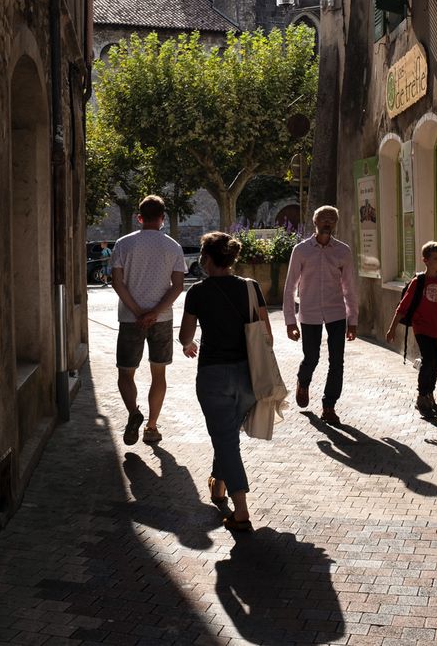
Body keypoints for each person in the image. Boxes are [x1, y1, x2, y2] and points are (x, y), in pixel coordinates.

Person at [179, 231, 269, 533]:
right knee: (227, 435)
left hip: (213, 375)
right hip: (248, 375)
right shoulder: (251, 287)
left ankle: (240, 509)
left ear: (206, 258)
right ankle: (218, 486)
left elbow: (185, 336)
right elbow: (266, 334)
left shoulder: (197, 292)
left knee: (226, 439)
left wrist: (190, 344)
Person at [111, 195, 187, 446]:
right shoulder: (173, 247)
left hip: (130, 319)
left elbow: (117, 282)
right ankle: (152, 427)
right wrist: (154, 312)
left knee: (126, 372)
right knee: (159, 373)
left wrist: (137, 312)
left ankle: (134, 412)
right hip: (162, 319)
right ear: (162, 218)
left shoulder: (123, 244)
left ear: (139, 218)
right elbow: (177, 286)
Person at [283, 204, 357, 424]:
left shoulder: (343, 251)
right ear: (315, 222)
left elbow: (349, 288)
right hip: (309, 312)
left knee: (337, 361)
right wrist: (290, 321)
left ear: (336, 224)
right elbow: (290, 286)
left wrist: (352, 320)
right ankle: (303, 381)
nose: (327, 222)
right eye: (323, 218)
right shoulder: (301, 250)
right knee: (311, 357)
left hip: (336, 313)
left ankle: (329, 406)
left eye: (331, 219)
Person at [386, 240, 437, 417]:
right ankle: (421, 397)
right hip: (422, 328)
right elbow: (402, 307)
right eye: (435, 258)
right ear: (425, 260)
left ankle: (430, 394)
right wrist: (392, 329)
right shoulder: (418, 282)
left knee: (436, 364)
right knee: (429, 361)